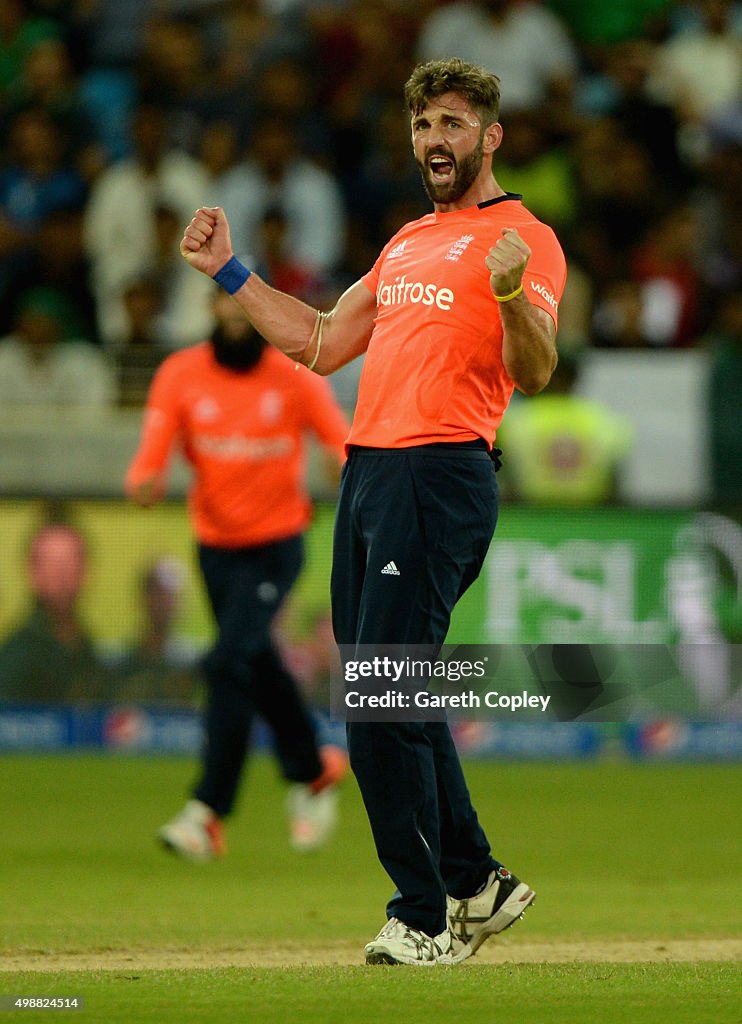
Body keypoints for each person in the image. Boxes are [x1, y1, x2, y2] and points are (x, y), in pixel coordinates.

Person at [178, 58, 566, 964]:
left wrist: (510, 295)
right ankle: (477, 881)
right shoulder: (405, 243)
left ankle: (424, 917)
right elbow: (318, 343)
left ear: (492, 135)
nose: (437, 140)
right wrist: (228, 269)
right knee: (394, 686)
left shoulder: (525, 239)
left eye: (455, 124)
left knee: (381, 694)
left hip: (440, 471)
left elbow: (538, 371)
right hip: (372, 475)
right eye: (425, 125)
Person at [125, 288, 351, 859]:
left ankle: (207, 812)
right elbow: (152, 450)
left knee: (227, 659)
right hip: (216, 549)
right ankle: (313, 766)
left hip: (278, 544)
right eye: (224, 304)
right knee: (256, 659)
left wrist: (340, 463)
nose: (234, 315)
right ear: (210, 310)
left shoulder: (293, 375)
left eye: (243, 306)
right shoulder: (181, 373)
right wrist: (145, 478)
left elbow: (341, 440)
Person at [0, 521, 110, 703]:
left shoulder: (86, 647)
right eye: (51, 562)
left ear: (85, 572)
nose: (61, 574)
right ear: (32, 572)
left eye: (70, 562)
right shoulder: (16, 656)